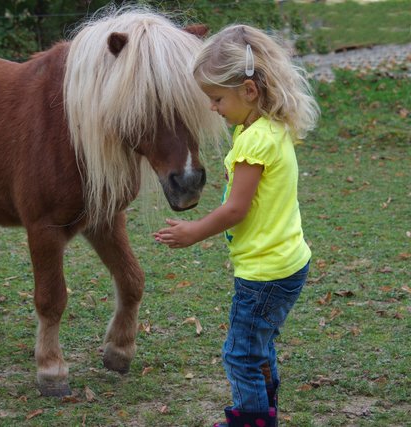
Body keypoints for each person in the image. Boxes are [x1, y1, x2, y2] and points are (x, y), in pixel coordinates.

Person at [154, 24, 319, 427]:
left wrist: (193, 232)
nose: (213, 108)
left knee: (240, 353)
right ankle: (265, 412)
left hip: (265, 272)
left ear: (248, 91)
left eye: (217, 98)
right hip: (286, 263)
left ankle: (251, 420)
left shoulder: (253, 141)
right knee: (258, 348)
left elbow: (236, 210)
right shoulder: (269, 128)